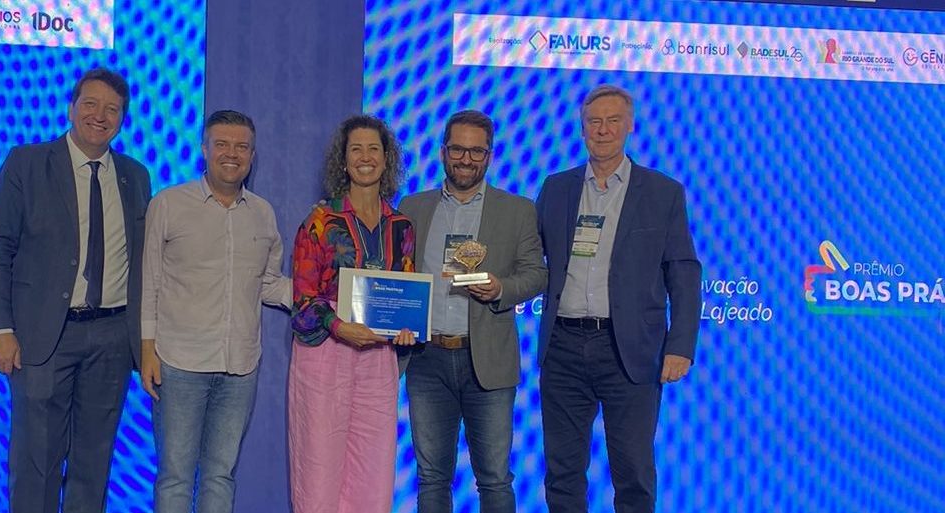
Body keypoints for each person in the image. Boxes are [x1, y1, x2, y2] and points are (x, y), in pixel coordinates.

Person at [0, 67, 151, 513]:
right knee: (36, 464)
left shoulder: (136, 176)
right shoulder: (27, 163)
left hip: (112, 339)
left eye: (112, 109)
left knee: (93, 466)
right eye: (90, 104)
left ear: (123, 120)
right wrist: (0, 329)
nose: (100, 116)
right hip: (41, 337)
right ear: (71, 108)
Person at [534, 85, 702, 513]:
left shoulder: (663, 192)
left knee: (633, 472)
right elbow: (529, 257)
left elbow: (683, 271)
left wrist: (680, 345)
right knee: (562, 473)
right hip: (563, 348)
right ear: (582, 129)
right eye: (594, 121)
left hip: (630, 350)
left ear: (630, 126)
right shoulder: (556, 188)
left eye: (613, 121)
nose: (603, 130)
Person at [140, 110, 291, 513]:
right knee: (175, 476)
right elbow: (149, 281)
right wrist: (147, 350)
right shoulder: (168, 204)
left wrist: (326, 297)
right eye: (221, 144)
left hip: (240, 367)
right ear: (204, 149)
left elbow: (268, 283)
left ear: (253, 155)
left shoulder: (263, 212)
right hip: (178, 364)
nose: (232, 154)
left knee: (221, 475)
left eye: (242, 146)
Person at [398, 110, 548, 513]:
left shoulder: (517, 210)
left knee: (495, 479)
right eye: (458, 150)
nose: (466, 159)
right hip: (426, 359)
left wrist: (501, 289)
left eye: (476, 151)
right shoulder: (413, 207)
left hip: (488, 360)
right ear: (442, 152)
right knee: (432, 478)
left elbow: (537, 274)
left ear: (490, 155)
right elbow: (397, 274)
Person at [288, 114, 418, 513]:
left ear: (386, 159)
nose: (365, 157)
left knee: (373, 470)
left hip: (378, 356)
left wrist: (407, 329)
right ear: (343, 161)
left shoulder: (402, 226)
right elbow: (302, 301)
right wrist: (340, 327)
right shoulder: (320, 221)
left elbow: (406, 294)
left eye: (374, 149)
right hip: (325, 353)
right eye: (356, 149)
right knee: (318, 468)